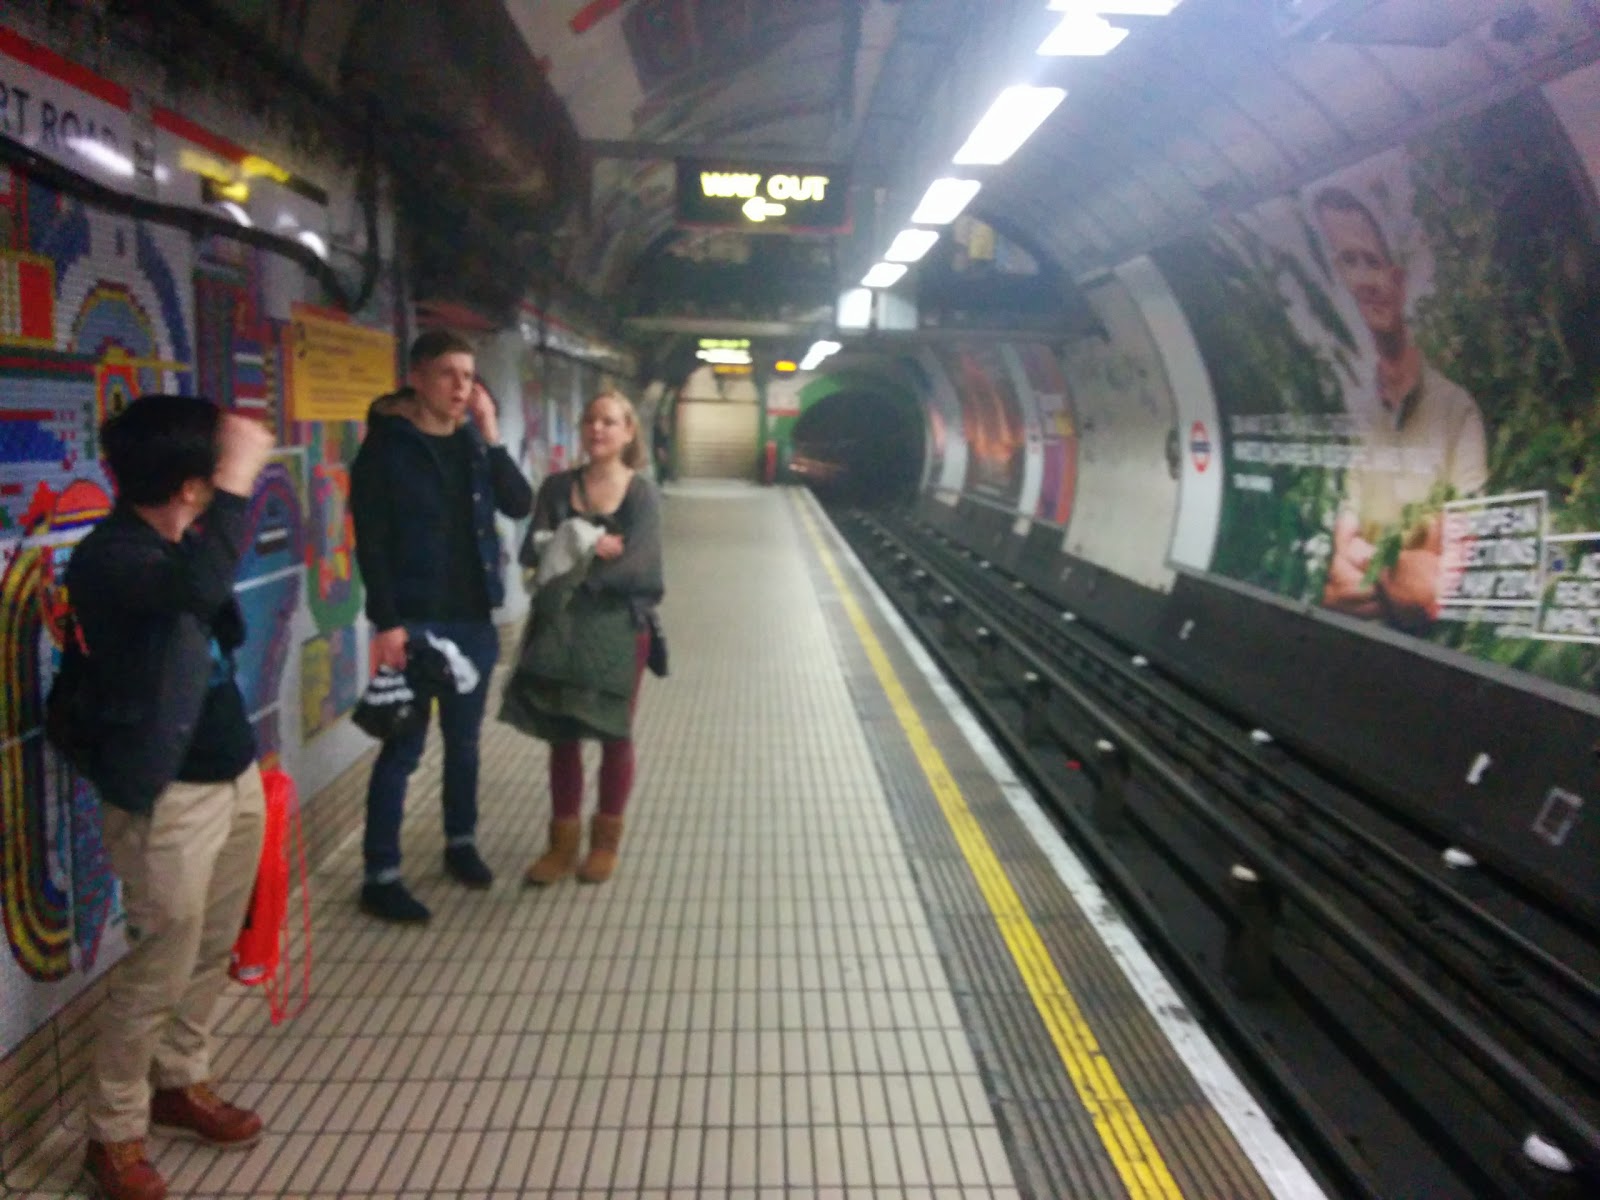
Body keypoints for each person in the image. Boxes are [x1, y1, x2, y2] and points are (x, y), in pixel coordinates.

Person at [66, 395, 275, 1200]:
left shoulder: (179, 538)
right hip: (167, 794)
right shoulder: (113, 558)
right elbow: (194, 591)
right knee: (159, 964)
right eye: (215, 470)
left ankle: (180, 1080)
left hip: (232, 772)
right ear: (191, 485)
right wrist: (238, 481)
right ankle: (112, 1133)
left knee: (212, 944)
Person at [349, 334, 533, 922]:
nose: (461, 387)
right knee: (402, 747)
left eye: (469, 376)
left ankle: (460, 842)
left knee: (465, 743)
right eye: (449, 373)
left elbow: (519, 502)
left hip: (473, 618)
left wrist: (492, 433)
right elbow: (372, 542)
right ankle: (380, 874)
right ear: (418, 377)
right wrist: (387, 623)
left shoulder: (474, 445)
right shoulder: (386, 450)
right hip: (415, 621)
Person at [1313, 186, 1490, 627]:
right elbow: (1343, 545)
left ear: (1397, 278)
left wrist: (1378, 569)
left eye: (1370, 261)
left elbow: (1453, 573)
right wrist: (1395, 567)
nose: (1363, 280)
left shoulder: (1456, 409)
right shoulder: (1356, 413)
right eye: (1347, 263)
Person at [514, 390, 664, 886]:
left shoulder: (641, 495)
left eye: (609, 421)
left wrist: (573, 566)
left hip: (620, 628)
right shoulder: (557, 488)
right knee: (562, 735)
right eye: (590, 420)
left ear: (628, 432)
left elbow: (642, 567)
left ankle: (604, 843)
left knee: (614, 732)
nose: (597, 429)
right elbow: (531, 552)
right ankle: (561, 846)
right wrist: (588, 546)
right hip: (561, 626)